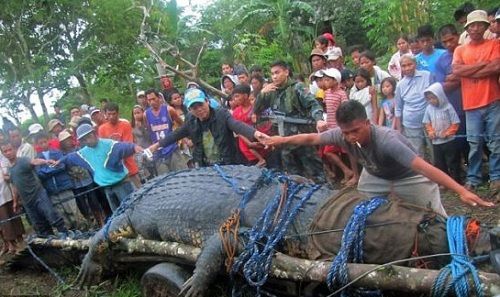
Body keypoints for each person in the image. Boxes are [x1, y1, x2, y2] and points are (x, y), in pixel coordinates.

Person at [259, 100, 495, 216]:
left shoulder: (387, 140)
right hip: (374, 176)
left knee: (437, 219)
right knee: (363, 212)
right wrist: (279, 141)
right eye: (345, 132)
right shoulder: (341, 135)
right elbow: (312, 138)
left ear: (367, 123)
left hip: (409, 178)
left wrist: (460, 190)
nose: (350, 137)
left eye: (355, 131)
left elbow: (425, 168)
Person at [146, 88, 266, 167]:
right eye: (194, 107)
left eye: (200, 104)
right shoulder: (191, 120)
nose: (199, 109)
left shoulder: (221, 114)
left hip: (229, 163)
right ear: (189, 110)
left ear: (207, 101)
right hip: (206, 166)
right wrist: (156, 146)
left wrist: (256, 134)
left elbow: (236, 125)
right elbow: (175, 134)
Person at [254, 60, 327, 183]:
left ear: (286, 72)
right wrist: (261, 94)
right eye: (272, 74)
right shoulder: (271, 91)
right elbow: (256, 110)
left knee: (317, 174)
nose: (274, 76)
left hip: (302, 139)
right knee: (293, 178)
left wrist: (319, 120)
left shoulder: (297, 87)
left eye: (277, 72)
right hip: (284, 143)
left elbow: (313, 104)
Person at [452, 10, 500, 191]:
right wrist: (482, 65)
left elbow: (496, 66)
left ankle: (496, 176)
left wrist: (470, 70)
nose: (475, 28)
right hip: (471, 104)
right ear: (467, 28)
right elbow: (457, 70)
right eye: (472, 25)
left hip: (493, 100)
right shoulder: (460, 49)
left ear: (486, 26)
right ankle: (473, 177)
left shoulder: (494, 44)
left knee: (495, 142)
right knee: (474, 143)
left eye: (480, 24)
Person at [59, 124, 143, 211]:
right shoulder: (84, 152)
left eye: (89, 137)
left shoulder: (109, 144)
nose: (88, 141)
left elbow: (123, 147)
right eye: (84, 140)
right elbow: (70, 157)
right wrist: (59, 161)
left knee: (132, 209)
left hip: (121, 184)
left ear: (95, 134)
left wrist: (134, 147)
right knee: (117, 214)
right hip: (107, 188)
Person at [1, 142, 68, 238]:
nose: (8, 153)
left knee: (51, 215)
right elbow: (15, 186)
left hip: (38, 194)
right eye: (5, 151)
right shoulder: (10, 170)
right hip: (27, 201)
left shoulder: (23, 161)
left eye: (10, 150)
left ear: (14, 150)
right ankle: (50, 243)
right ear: (3, 154)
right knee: (39, 224)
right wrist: (15, 202)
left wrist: (46, 161)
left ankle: (65, 233)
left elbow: (34, 161)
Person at [436, 24, 468, 175]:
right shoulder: (441, 60)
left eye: (451, 39)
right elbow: (442, 86)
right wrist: (464, 76)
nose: (449, 44)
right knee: (460, 141)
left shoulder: (468, 50)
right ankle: (464, 171)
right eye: (445, 42)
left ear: (458, 35)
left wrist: (456, 76)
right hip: (455, 106)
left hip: (475, 101)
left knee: (479, 139)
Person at [34, 132, 84, 229]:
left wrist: (48, 170)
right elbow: (39, 173)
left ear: (48, 141)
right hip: (51, 191)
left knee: (74, 210)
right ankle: (70, 234)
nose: (43, 144)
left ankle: (83, 229)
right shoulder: (38, 159)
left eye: (45, 141)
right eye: (41, 143)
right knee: (62, 215)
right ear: (37, 144)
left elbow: (62, 166)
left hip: (64, 187)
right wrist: (54, 168)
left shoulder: (57, 152)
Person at [320, 68, 357, 185]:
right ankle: (347, 171)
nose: (325, 82)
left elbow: (346, 109)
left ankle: (355, 174)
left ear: (336, 81)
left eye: (327, 80)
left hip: (341, 128)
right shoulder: (326, 94)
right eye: (324, 80)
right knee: (328, 152)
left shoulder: (341, 94)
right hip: (330, 128)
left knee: (348, 151)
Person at [394, 54, 434, 157]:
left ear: (415, 64)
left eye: (409, 64)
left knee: (434, 149)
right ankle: (423, 173)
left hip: (430, 120)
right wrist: (399, 129)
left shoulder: (427, 75)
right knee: (417, 152)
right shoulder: (400, 85)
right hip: (410, 123)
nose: (407, 68)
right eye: (403, 66)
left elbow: (435, 96)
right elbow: (398, 108)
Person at [422, 83, 461, 183]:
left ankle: (456, 180)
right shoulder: (429, 109)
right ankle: (444, 182)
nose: (431, 101)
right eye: (429, 99)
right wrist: (430, 132)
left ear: (440, 96)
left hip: (449, 141)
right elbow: (427, 122)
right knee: (440, 163)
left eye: (433, 98)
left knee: (452, 161)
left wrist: (449, 132)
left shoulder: (448, 107)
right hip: (436, 142)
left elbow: (455, 122)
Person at [98, 102, 141, 188]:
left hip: (129, 165)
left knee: (139, 190)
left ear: (118, 113)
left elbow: (128, 145)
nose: (111, 116)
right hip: (115, 170)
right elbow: (103, 149)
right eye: (109, 114)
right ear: (105, 114)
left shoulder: (125, 125)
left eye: (114, 114)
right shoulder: (102, 129)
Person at [144, 89, 188, 175]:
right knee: (165, 180)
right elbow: (149, 132)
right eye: (149, 100)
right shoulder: (146, 114)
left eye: (153, 99)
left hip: (172, 148)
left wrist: (183, 140)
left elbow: (182, 125)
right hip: (158, 152)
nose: (152, 102)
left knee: (183, 175)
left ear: (159, 98)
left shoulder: (169, 110)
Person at [231, 85, 267, 167]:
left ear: (245, 95)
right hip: (246, 145)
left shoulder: (256, 108)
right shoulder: (236, 112)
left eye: (237, 96)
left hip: (261, 141)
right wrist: (249, 143)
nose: (235, 99)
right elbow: (237, 130)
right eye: (234, 97)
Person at [0, 151, 24, 254]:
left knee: (15, 217)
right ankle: (12, 244)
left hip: (9, 193)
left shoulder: (3, 159)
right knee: (5, 222)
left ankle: (21, 241)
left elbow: (10, 174)